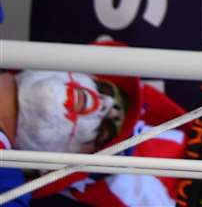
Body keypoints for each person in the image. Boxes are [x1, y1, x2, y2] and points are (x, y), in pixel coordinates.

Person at [0, 64, 189, 206]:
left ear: (50, 169)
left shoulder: (6, 190)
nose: (104, 103)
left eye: (105, 128)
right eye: (103, 88)